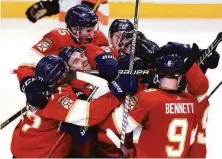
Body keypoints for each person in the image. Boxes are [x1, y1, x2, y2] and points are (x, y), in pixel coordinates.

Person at [96, 42, 209, 158]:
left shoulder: (146, 98)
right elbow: (191, 140)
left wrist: (123, 150)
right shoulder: (191, 102)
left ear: (157, 74)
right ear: (180, 76)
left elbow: (109, 130)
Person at [11, 54, 136, 158]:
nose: (69, 72)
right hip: (39, 154)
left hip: (22, 145)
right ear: (60, 77)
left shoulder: (38, 88)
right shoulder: (57, 97)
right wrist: (114, 93)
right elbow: (89, 115)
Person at [25, 0, 109, 29]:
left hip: (92, 40)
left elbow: (85, 13)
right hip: (70, 39)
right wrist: (45, 7)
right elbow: (63, 4)